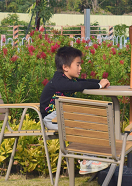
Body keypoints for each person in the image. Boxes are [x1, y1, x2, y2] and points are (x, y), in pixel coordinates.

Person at [40, 45, 111, 174]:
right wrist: (99, 85)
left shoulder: (68, 79)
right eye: (77, 65)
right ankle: (86, 161)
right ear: (65, 67)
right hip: (52, 119)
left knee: (87, 122)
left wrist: (100, 82)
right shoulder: (59, 81)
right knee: (80, 124)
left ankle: (90, 160)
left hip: (63, 116)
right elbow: (78, 85)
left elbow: (83, 81)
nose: (80, 68)